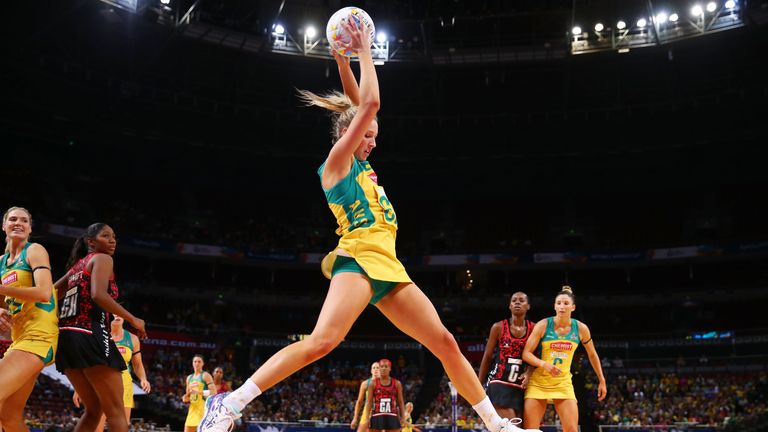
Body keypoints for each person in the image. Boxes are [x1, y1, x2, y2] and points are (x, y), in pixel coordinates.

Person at [197, 18, 539, 432]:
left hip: (388, 265)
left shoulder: (363, 163)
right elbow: (370, 105)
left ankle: (495, 425)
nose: (374, 142)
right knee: (322, 343)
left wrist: (343, 61)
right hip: (357, 259)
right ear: (348, 134)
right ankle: (229, 405)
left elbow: (361, 104)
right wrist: (363, 50)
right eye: (368, 136)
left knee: (445, 342)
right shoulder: (338, 164)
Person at [54, 223, 147, 432]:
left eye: (114, 236)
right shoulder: (103, 259)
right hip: (89, 334)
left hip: (66, 339)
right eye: (106, 236)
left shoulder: (76, 268)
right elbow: (98, 294)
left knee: (94, 409)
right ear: (91, 242)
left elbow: (50, 295)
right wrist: (133, 319)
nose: (112, 240)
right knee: (116, 413)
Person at [0, 206, 59, 432]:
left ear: (30, 228)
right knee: (8, 417)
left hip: (40, 338)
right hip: (19, 340)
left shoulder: (34, 251)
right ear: (3, 226)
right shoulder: (0, 264)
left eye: (24, 220)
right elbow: (3, 303)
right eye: (13, 219)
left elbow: (44, 292)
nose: (18, 223)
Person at [521, 286, 607, 432]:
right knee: (530, 430)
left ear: (573, 307)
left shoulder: (581, 328)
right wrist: (544, 364)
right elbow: (526, 354)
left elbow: (592, 354)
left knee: (572, 429)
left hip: (563, 384)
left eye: (566, 303)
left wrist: (602, 380)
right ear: (554, 306)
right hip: (538, 383)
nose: (562, 306)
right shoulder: (543, 325)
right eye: (559, 303)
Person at [72, 315, 152, 432]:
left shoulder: (132, 339)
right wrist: (78, 389)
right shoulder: (98, 335)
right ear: (107, 316)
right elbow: (87, 363)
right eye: (113, 313)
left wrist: (143, 379)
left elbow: (137, 364)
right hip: (101, 384)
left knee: (121, 427)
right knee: (96, 427)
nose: (117, 316)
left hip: (125, 386)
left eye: (119, 313)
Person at [478, 292, 535, 421]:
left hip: (520, 387)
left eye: (521, 300)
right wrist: (478, 384)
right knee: (512, 428)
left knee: (517, 428)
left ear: (528, 306)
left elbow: (538, 355)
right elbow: (487, 356)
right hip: (499, 383)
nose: (517, 302)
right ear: (509, 306)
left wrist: (530, 371)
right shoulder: (498, 327)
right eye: (514, 300)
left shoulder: (534, 329)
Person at [367, 359, 405, 432]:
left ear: (390, 368)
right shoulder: (372, 383)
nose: (384, 368)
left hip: (392, 415)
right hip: (377, 415)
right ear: (379, 368)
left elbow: (400, 402)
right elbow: (369, 402)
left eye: (386, 366)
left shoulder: (397, 383)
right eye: (381, 366)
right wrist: (367, 418)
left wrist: (403, 417)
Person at [183, 354, 216, 432]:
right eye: (195, 361)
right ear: (192, 363)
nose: (197, 363)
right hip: (192, 410)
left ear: (203, 363)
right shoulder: (189, 378)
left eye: (199, 361)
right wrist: (185, 397)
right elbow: (188, 396)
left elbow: (214, 392)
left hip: (203, 410)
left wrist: (198, 392)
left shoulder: (205, 375)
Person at [351, 361, 380, 432]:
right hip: (367, 413)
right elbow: (359, 401)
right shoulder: (365, 383)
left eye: (377, 368)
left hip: (380, 413)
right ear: (371, 371)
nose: (376, 369)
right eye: (374, 368)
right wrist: (355, 418)